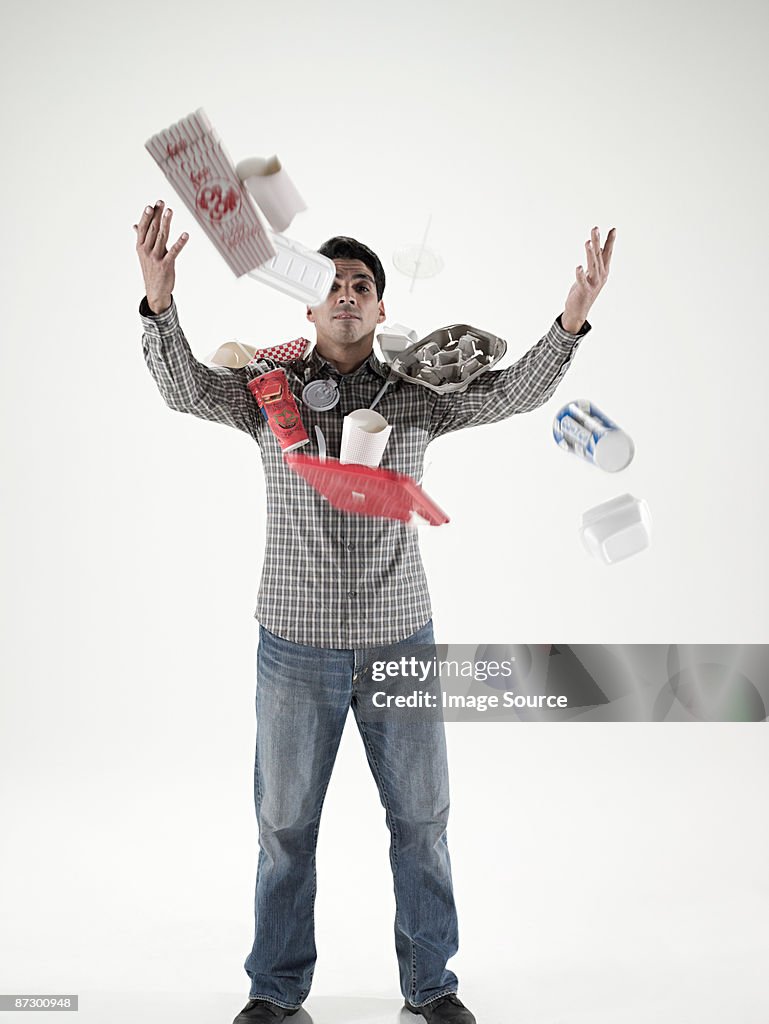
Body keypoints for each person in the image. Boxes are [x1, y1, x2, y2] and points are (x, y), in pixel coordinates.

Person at [134, 200, 616, 1024]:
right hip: (294, 644)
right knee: (284, 827)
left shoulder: (420, 395)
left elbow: (510, 395)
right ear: (309, 305)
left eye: (362, 284)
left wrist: (570, 322)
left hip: (401, 638)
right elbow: (182, 389)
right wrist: (159, 302)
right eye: (331, 284)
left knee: (422, 822)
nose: (346, 294)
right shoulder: (267, 389)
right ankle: (275, 992)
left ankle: (431, 987)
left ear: (382, 308)